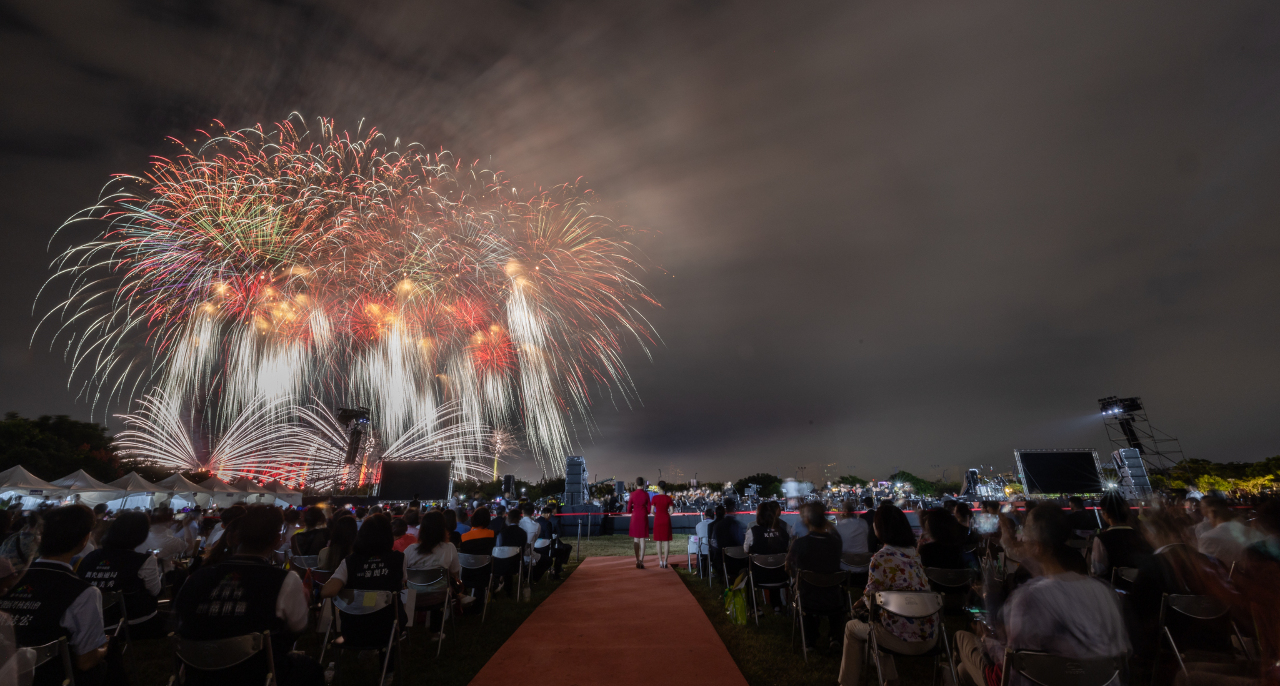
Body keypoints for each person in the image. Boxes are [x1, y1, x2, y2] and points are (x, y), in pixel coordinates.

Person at [952, 503, 1128, 686]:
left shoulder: (1028, 598)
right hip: (1095, 680)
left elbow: (1012, 665)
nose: (1022, 538)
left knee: (961, 639)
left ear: (1038, 546)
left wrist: (986, 640)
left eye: (1025, 531)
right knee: (964, 671)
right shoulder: (1105, 593)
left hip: (1034, 680)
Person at [175, 505, 320, 686]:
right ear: (277, 540)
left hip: (197, 671)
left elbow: (179, 620)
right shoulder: (283, 581)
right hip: (257, 671)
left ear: (233, 537)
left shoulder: (198, 577)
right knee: (311, 669)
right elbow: (298, 627)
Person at [0, 504, 107, 686]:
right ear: (84, 541)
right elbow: (86, 661)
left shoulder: (7, 581)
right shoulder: (83, 592)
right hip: (49, 677)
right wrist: (105, 648)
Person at [838, 503, 932, 686]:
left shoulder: (880, 558)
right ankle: (891, 678)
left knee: (854, 627)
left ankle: (847, 683)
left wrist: (858, 603)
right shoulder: (914, 555)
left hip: (902, 638)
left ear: (879, 529)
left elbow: (871, 598)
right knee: (881, 620)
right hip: (929, 634)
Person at [320, 513, 407, 670]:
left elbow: (327, 591)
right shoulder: (398, 559)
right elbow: (402, 583)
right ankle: (387, 672)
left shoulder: (350, 562)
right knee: (395, 606)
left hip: (353, 629)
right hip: (386, 628)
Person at [78, 511, 163, 636]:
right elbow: (155, 591)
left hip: (95, 622)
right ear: (140, 535)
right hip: (135, 621)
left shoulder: (90, 557)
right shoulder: (144, 560)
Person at [788, 502, 844, 653]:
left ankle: (809, 640)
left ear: (807, 521)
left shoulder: (799, 544)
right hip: (834, 597)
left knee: (800, 586)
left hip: (807, 597)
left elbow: (790, 567)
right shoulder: (836, 542)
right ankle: (835, 637)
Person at [404, 511, 460, 641]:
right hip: (439, 596)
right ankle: (435, 631)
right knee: (443, 586)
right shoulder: (449, 548)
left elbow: (403, 575)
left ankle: (404, 627)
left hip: (412, 596)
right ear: (443, 528)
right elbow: (455, 571)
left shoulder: (410, 550)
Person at [1090, 491, 1153, 581]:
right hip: (1141, 586)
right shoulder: (1141, 535)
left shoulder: (1102, 539)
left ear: (1106, 513)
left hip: (1113, 588)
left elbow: (1097, 571)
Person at [745, 502, 790, 613]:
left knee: (746, 572)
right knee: (774, 564)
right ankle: (777, 606)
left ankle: (755, 608)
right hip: (782, 577)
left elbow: (746, 550)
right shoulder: (784, 532)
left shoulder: (753, 532)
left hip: (759, 577)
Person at [1197, 496, 1263, 567]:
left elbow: (1207, 567)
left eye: (1208, 514)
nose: (1209, 519)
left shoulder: (1208, 538)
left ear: (1213, 514)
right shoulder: (1253, 532)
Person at [495, 510, 528, 597]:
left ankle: (496, 587)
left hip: (501, 564)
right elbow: (523, 549)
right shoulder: (523, 533)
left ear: (508, 518)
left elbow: (498, 548)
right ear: (519, 519)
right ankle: (509, 591)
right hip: (517, 564)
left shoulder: (502, 533)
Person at [835, 499, 870, 572]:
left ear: (844, 511)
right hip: (865, 565)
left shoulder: (839, 527)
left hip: (845, 567)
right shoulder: (863, 523)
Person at [628, 477, 651, 569]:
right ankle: (641, 560)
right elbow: (649, 508)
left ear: (635, 483)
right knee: (642, 539)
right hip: (643, 516)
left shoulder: (632, 494)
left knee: (636, 539)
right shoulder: (646, 494)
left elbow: (629, 508)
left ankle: (637, 560)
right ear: (643, 484)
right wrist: (646, 511)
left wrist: (631, 511)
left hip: (635, 516)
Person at [651, 484, 675, 568]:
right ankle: (666, 561)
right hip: (666, 519)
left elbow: (652, 511)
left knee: (658, 540)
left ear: (658, 487)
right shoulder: (668, 498)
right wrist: (666, 514)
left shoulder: (655, 498)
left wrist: (657, 514)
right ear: (665, 488)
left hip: (658, 519)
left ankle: (660, 561)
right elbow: (671, 511)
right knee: (666, 541)